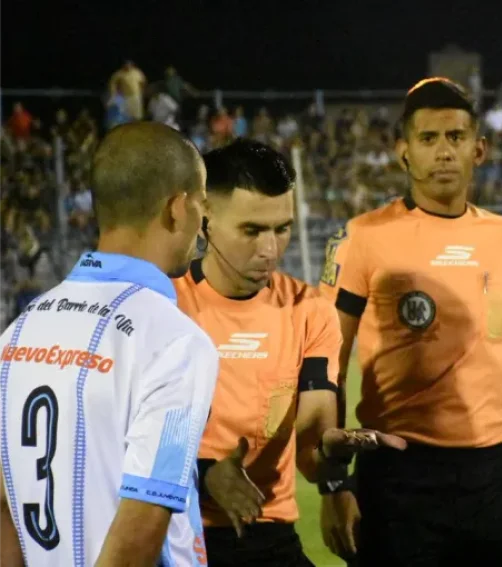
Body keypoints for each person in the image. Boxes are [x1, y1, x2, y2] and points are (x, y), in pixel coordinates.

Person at [318, 77, 502, 566]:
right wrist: (334, 480)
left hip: (491, 477)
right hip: (395, 477)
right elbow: (328, 364)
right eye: (428, 138)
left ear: (479, 149)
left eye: (455, 137)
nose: (443, 152)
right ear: (403, 151)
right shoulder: (362, 238)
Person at [175, 139, 404, 567]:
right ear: (205, 219)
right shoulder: (162, 304)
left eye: (281, 229)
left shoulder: (309, 310)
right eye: (251, 230)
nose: (270, 250)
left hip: (267, 533)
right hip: (175, 535)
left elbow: (313, 447)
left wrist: (331, 454)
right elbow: (110, 442)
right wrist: (203, 475)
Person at [0, 122, 218, 566]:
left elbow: (4, 508)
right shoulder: (176, 344)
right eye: (202, 205)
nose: (203, 224)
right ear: (177, 208)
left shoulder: (17, 332)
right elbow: (140, 529)